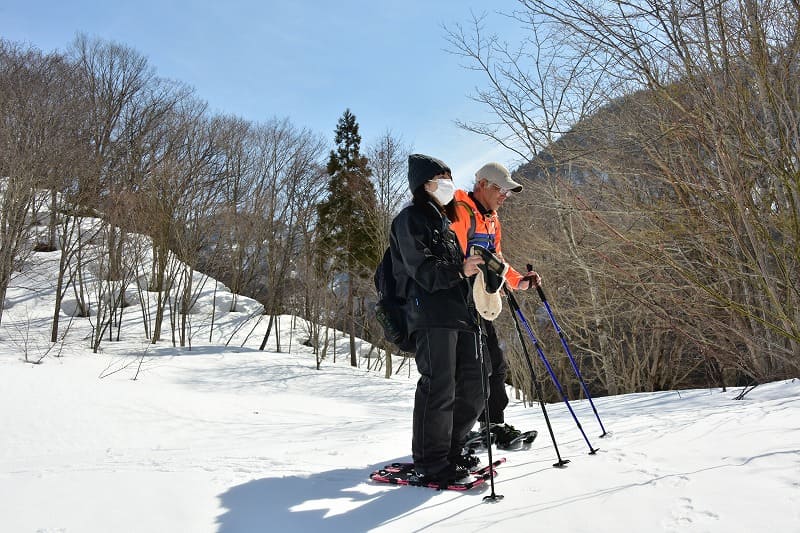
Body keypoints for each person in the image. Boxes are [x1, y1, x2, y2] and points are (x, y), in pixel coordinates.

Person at [389, 153, 486, 483]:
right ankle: (431, 460)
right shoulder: (409, 220)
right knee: (439, 387)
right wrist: (460, 268)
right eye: (441, 178)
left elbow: (458, 273)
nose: (448, 183)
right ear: (424, 184)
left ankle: (452, 447)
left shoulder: (444, 224)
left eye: (449, 176)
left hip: (460, 315)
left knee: (475, 383)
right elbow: (422, 270)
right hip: (429, 315)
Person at [450, 162, 542, 448]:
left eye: (508, 192)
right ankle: (458, 434)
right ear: (483, 186)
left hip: (480, 302)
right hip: (457, 302)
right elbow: (451, 255)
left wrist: (520, 282)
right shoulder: (460, 212)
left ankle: (494, 424)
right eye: (501, 189)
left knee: (496, 365)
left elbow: (498, 261)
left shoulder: (492, 220)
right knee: (473, 369)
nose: (505, 196)